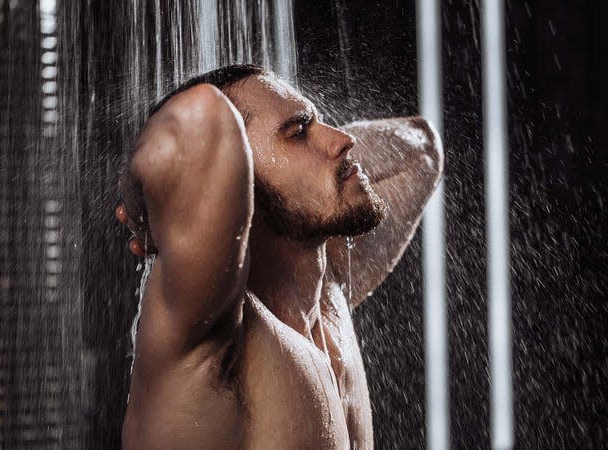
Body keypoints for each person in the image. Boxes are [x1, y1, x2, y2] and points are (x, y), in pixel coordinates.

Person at [115, 64, 442, 449]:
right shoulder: (209, 327)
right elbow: (199, 114)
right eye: (299, 133)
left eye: (319, 122)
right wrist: (147, 201)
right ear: (237, 181)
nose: (343, 140)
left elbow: (421, 148)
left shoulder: (326, 286)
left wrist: (317, 162)